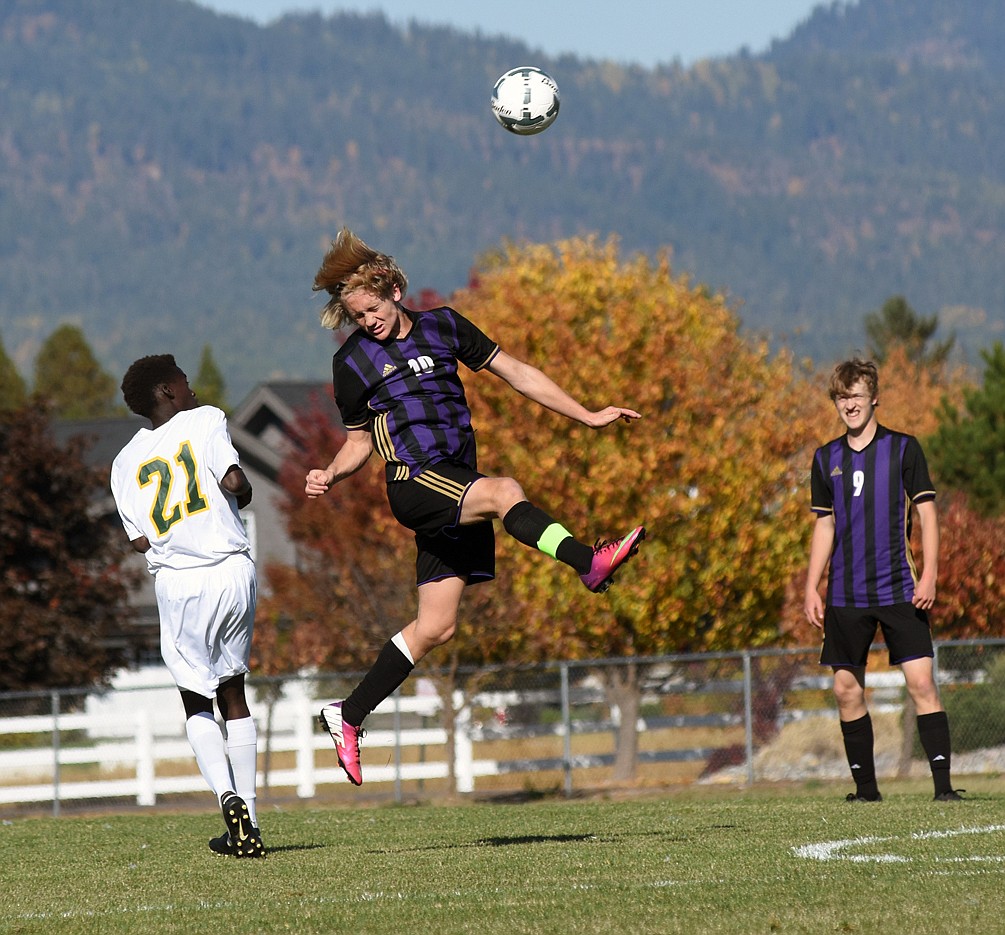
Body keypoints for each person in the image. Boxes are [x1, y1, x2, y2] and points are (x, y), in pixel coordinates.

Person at [306, 228, 646, 786]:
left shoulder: (444, 325)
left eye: (371, 308)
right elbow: (358, 443)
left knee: (436, 627)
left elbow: (517, 372)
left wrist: (585, 414)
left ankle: (348, 714)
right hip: (415, 483)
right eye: (356, 315)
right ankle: (589, 562)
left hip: (454, 482)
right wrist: (330, 473)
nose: (366, 321)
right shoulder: (352, 364)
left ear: (392, 288)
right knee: (505, 491)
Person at [110, 354, 266, 857]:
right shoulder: (206, 420)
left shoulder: (124, 462)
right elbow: (235, 481)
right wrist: (237, 494)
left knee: (196, 699)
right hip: (233, 571)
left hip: (181, 583)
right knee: (234, 689)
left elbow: (138, 542)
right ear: (167, 392)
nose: (192, 386)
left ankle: (226, 799)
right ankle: (252, 816)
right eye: (183, 379)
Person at [803, 358, 962, 803]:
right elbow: (824, 525)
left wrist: (929, 574)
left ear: (874, 397)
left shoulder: (904, 449)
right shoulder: (824, 458)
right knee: (845, 688)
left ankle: (944, 790)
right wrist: (810, 585)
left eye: (856, 395)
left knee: (922, 683)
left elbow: (927, 514)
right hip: (845, 593)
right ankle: (867, 792)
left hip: (898, 586)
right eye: (841, 397)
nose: (849, 405)